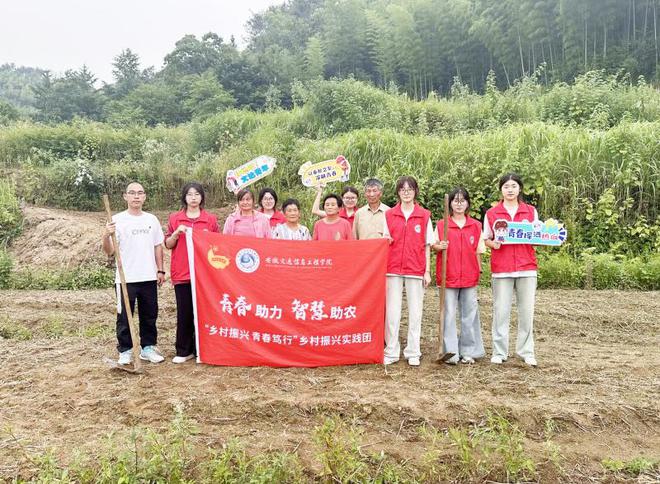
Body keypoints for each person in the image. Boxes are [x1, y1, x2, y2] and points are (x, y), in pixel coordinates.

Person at [102, 182, 165, 365]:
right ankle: (125, 350)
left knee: (150, 314)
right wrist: (105, 235)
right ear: (125, 196)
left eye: (140, 193)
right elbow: (109, 251)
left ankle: (148, 347)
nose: (136, 196)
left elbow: (157, 246)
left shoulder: (151, 220)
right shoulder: (117, 220)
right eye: (132, 193)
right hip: (125, 278)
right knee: (124, 317)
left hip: (149, 276)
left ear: (144, 196)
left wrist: (160, 270)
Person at [483, 173, 539, 367]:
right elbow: (486, 239)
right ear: (501, 189)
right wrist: (493, 244)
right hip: (502, 269)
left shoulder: (530, 211)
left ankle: (526, 351)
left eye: (513, 186)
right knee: (501, 311)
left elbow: (537, 235)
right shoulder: (492, 213)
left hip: (526, 267)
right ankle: (499, 351)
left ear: (520, 189)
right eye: (506, 186)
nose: (510, 189)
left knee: (526, 312)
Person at [165, 182, 219, 364]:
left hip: (205, 275)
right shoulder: (175, 219)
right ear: (184, 198)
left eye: (197, 194)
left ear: (202, 197)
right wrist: (176, 234)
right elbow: (168, 244)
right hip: (183, 273)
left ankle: (202, 349)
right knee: (184, 311)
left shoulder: (210, 219)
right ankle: (183, 349)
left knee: (204, 312)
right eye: (190, 194)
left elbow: (217, 245)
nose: (193, 198)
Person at [383, 176, 434, 367]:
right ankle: (391, 350)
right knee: (393, 312)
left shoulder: (424, 215)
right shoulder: (389, 215)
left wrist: (427, 271)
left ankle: (413, 351)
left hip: (416, 268)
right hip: (393, 268)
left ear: (415, 191)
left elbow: (428, 245)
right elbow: (385, 241)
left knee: (415, 311)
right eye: (402, 189)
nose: (406, 192)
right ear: (398, 192)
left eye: (410, 189)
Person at [431, 187, 486, 365]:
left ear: (468, 203)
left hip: (469, 277)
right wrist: (440, 246)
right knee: (447, 315)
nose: (459, 204)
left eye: (463, 200)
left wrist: (478, 270)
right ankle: (451, 352)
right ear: (450, 204)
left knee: (469, 315)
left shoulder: (476, 226)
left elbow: (479, 251)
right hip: (448, 276)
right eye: (456, 200)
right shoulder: (442, 225)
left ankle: (468, 351)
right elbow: (433, 245)